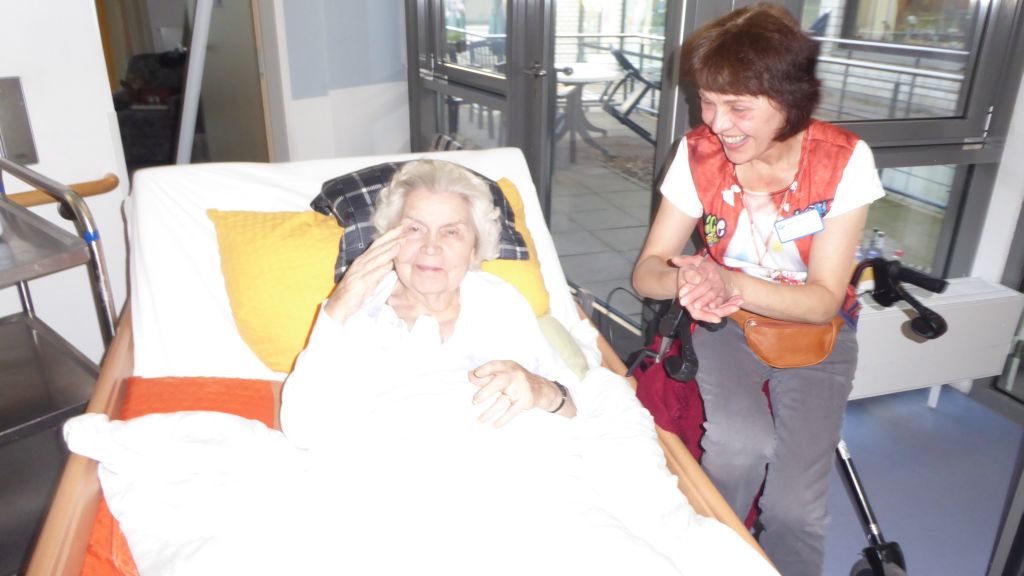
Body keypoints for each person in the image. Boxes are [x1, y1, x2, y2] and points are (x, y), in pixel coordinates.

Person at [631, 5, 885, 576]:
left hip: (816, 334)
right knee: (737, 448)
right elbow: (646, 271)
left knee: (795, 510)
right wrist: (689, 279)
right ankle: (709, 560)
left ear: (788, 99)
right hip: (727, 325)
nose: (718, 123)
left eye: (738, 107)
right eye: (707, 101)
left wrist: (730, 280)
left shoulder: (843, 161)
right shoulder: (698, 154)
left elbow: (823, 299)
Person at [281, 159, 578, 448]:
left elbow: (572, 409)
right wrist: (338, 307)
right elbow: (303, 430)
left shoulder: (499, 301)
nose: (431, 247)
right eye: (414, 229)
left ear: (474, 248)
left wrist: (539, 389)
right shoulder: (357, 310)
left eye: (451, 232)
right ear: (389, 239)